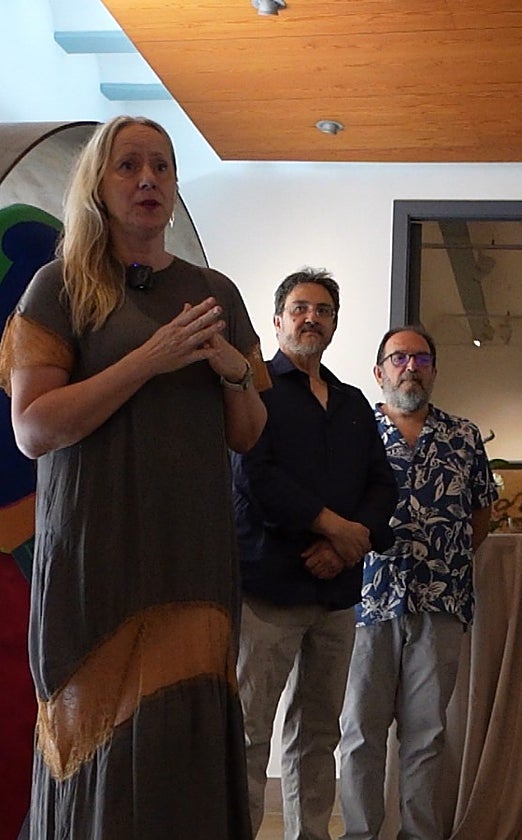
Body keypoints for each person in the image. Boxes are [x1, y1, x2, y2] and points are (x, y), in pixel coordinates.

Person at [0, 114, 267, 838]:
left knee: (183, 731)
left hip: (193, 553)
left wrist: (235, 373)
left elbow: (247, 433)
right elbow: (33, 429)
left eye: (161, 166)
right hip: (95, 552)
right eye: (128, 165)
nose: (148, 179)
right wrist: (149, 360)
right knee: (98, 744)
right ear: (98, 183)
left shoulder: (215, 292)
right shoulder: (59, 287)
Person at [233, 268, 397, 840]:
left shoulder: (353, 403)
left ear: (334, 324)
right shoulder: (255, 392)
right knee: (250, 733)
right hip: (268, 590)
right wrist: (334, 529)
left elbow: (383, 485)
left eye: (323, 310)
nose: (312, 318)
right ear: (278, 320)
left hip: (335, 594)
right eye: (300, 308)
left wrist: (349, 544)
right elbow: (255, 477)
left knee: (319, 734)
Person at [338, 325, 496, 840]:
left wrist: (444, 559)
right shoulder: (354, 433)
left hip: (441, 602)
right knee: (360, 732)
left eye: (422, 359)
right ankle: (361, 834)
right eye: (400, 358)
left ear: (434, 371)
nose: (411, 368)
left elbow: (480, 515)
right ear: (379, 371)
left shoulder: (463, 436)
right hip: (365, 601)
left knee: (426, 734)